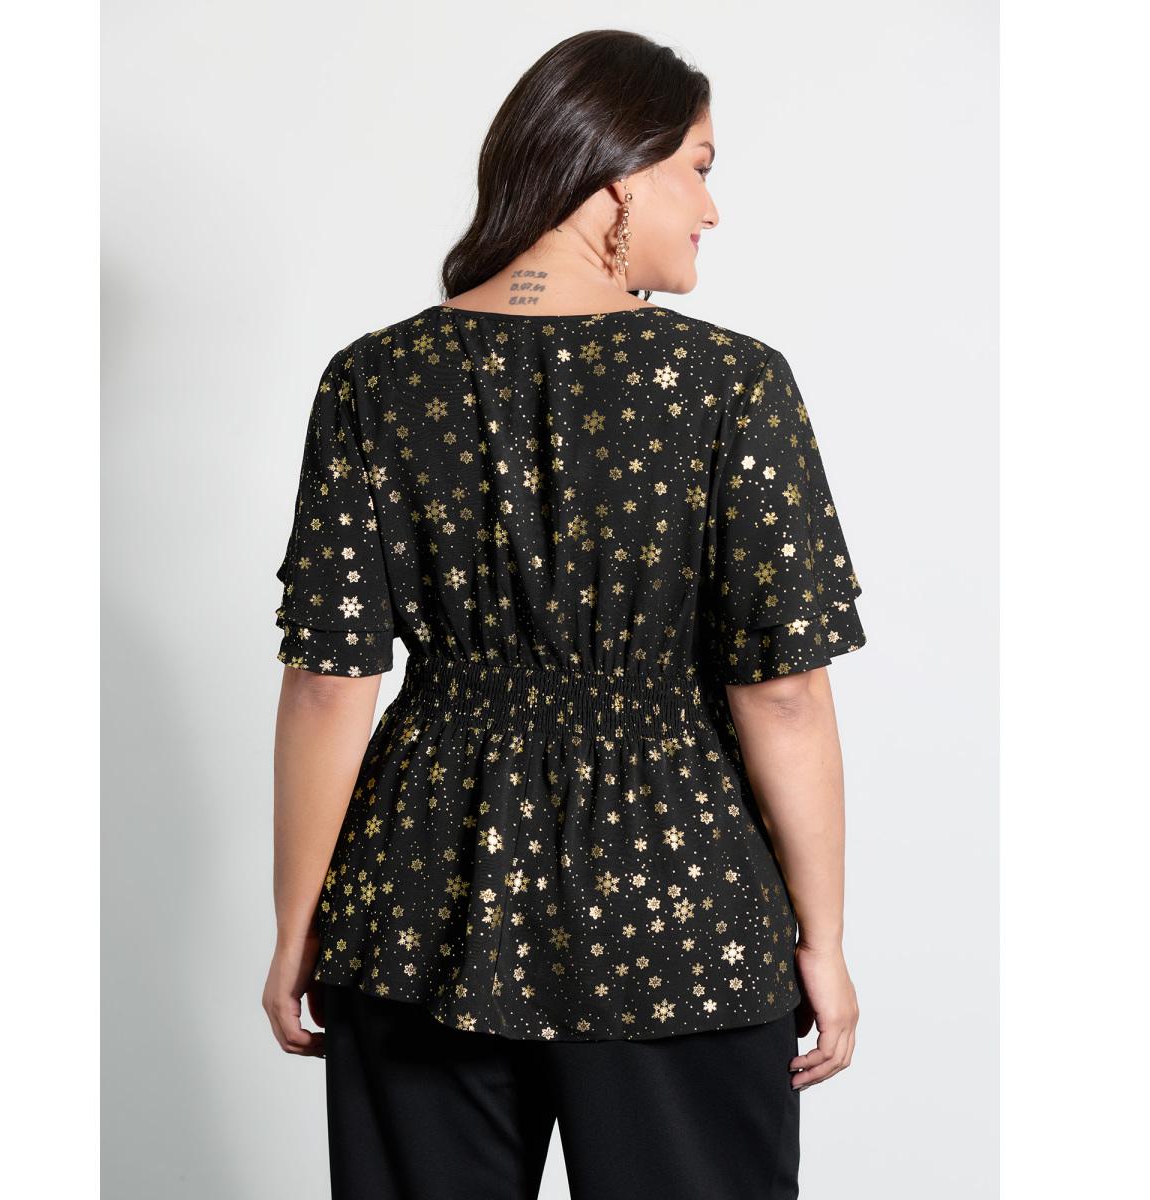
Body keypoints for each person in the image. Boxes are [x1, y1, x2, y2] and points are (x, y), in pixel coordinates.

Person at [262, 28, 867, 1200]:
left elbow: (331, 682)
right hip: (681, 911)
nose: (712, 208)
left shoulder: (375, 379)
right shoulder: (732, 384)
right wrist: (824, 942)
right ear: (618, 173)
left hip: (419, 907)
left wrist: (299, 924)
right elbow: (785, 691)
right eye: (699, 168)